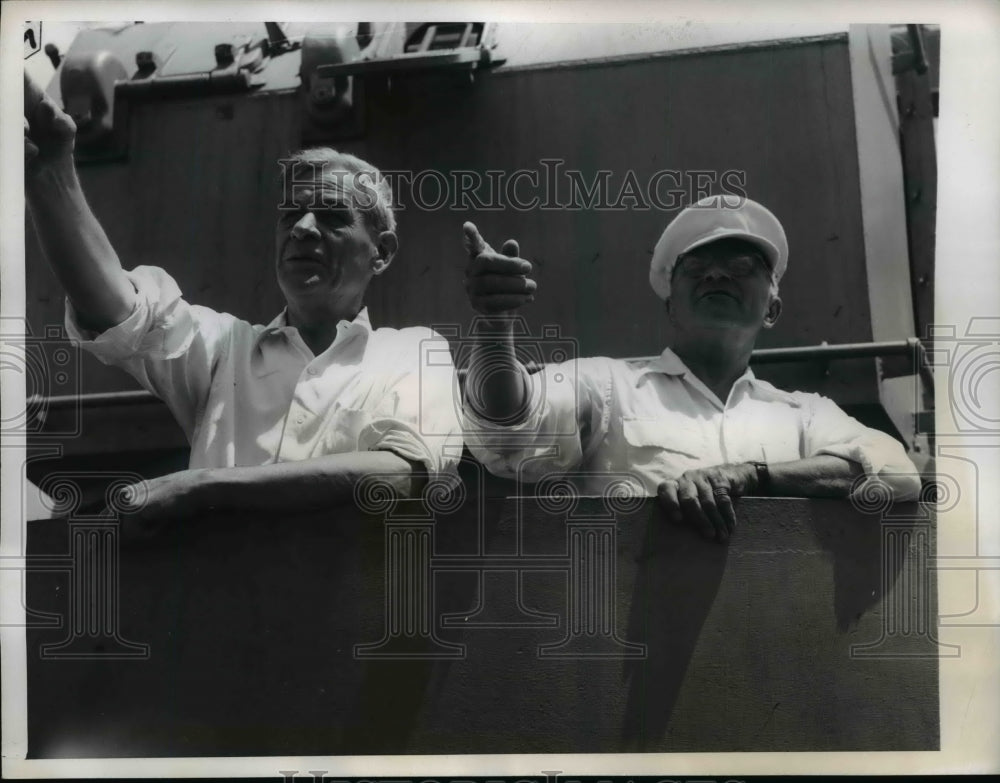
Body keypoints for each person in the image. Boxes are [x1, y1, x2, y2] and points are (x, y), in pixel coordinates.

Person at [23, 72, 461, 533]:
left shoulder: (410, 352)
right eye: (291, 213)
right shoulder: (222, 352)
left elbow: (400, 475)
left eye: (332, 216)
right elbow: (119, 312)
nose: (303, 228)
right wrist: (52, 179)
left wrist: (204, 486)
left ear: (382, 252)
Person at [460, 195, 922, 543]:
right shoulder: (604, 385)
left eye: (741, 265)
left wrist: (752, 475)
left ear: (772, 309)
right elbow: (509, 428)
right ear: (671, 305)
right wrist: (494, 323)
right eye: (696, 266)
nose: (716, 275)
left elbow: (898, 473)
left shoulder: (803, 414)